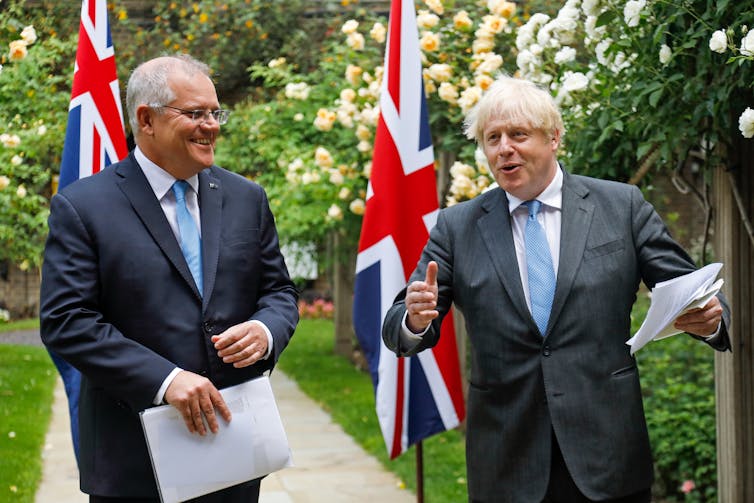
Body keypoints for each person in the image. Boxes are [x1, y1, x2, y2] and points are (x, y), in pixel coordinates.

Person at [382, 76, 731, 503]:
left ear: (554, 138)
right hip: (506, 461)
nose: (504, 148)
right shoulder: (457, 227)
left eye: (518, 134)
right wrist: (414, 319)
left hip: (608, 455)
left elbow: (692, 288)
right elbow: (401, 323)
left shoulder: (621, 207)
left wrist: (711, 319)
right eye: (492, 138)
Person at [40, 54, 299, 502]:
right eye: (195, 113)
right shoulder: (83, 208)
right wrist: (165, 379)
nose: (212, 125)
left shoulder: (246, 198)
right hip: (134, 461)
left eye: (215, 112)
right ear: (147, 120)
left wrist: (265, 329)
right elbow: (67, 321)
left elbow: (278, 291)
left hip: (234, 451)